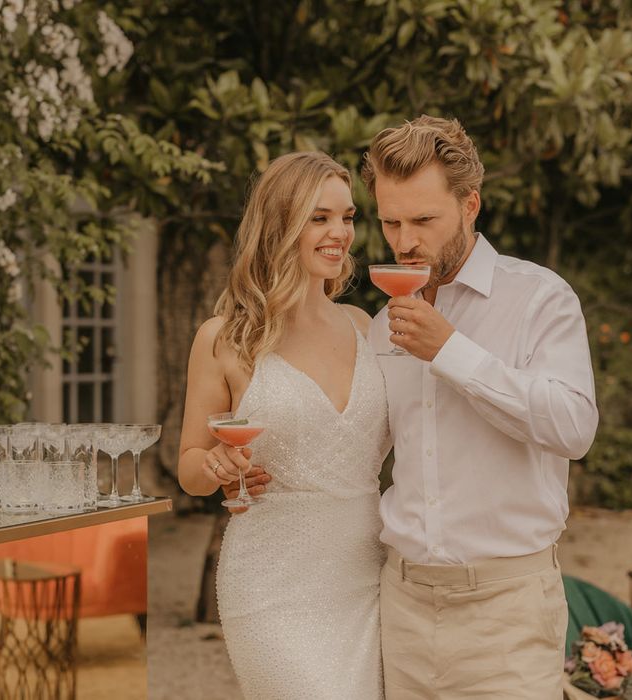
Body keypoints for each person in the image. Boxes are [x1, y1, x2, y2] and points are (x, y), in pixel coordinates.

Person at [361, 115, 599, 699]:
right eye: (390, 221)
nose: (404, 241)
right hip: (403, 604)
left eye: (423, 220)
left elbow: (574, 428)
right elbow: (361, 453)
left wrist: (451, 352)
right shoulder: (379, 327)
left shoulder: (541, 298)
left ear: (470, 206)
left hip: (508, 610)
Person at [177, 151, 390, 699]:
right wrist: (217, 464)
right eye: (319, 218)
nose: (339, 232)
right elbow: (190, 468)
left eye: (347, 217)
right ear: (280, 224)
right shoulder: (225, 337)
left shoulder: (366, 327)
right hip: (272, 585)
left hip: (370, 580)